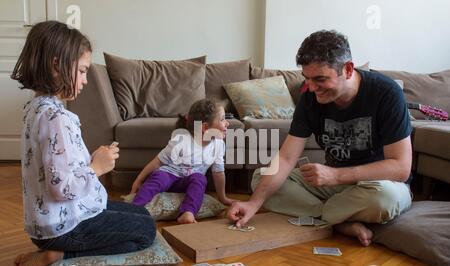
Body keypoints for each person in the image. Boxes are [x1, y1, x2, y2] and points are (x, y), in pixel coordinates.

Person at [227, 30, 413, 246]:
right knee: (260, 178)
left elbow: (400, 167)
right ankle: (338, 221)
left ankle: (324, 216)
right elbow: (287, 158)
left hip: (377, 185)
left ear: (348, 69)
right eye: (307, 79)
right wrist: (253, 204)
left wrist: (336, 176)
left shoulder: (386, 93)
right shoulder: (309, 98)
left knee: (385, 199)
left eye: (320, 79)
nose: (312, 88)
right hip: (335, 187)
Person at [11, 21, 156, 266]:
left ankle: (53, 247)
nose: (85, 80)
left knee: (140, 213)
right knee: (146, 231)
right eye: (82, 71)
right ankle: (60, 254)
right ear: (57, 66)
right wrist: (96, 168)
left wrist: (92, 159)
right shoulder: (57, 118)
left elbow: (54, 170)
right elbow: (61, 188)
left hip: (47, 224)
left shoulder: (35, 110)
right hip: (64, 227)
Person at [131, 99, 236, 224]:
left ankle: (187, 213)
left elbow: (218, 173)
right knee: (160, 176)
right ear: (205, 127)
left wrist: (222, 197)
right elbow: (157, 162)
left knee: (200, 179)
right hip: (170, 176)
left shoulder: (218, 145)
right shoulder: (181, 141)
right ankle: (134, 209)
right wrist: (139, 180)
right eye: (223, 119)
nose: (227, 123)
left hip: (188, 181)